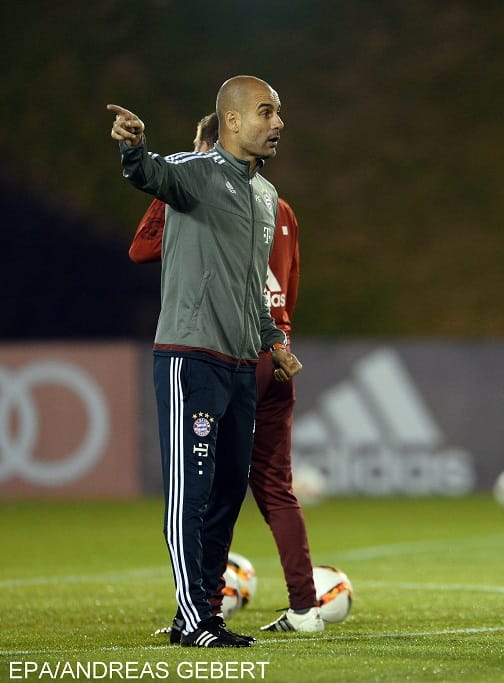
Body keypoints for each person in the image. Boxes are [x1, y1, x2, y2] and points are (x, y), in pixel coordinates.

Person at [108, 74, 304, 648]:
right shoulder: (193, 174)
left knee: (224, 492)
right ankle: (194, 619)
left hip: (245, 363)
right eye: (267, 112)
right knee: (190, 490)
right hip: (190, 357)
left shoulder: (266, 196)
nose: (279, 123)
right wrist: (133, 148)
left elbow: (251, 283)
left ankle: (202, 614)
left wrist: (272, 342)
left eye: (279, 112)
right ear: (234, 122)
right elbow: (150, 173)